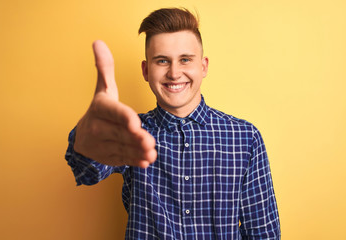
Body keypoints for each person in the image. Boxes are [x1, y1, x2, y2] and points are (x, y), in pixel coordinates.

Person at [65, 8, 281, 239]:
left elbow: (263, 233)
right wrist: (85, 137)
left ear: (203, 66)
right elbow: (87, 172)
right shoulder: (130, 133)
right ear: (146, 70)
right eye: (162, 61)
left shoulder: (245, 137)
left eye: (185, 59)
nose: (174, 73)